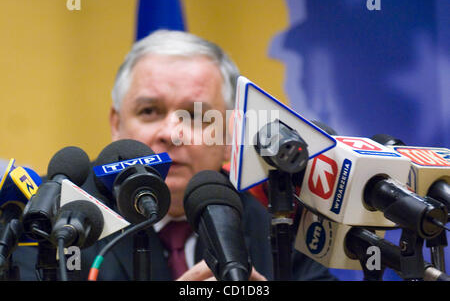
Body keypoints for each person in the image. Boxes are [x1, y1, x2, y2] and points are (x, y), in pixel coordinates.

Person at [12, 29, 337, 281]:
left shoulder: (278, 217)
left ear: (230, 134)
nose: (172, 132)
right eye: (150, 111)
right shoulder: (58, 214)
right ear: (117, 124)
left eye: (195, 115)